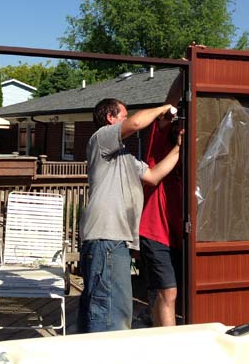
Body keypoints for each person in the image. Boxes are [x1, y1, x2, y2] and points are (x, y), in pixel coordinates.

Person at [78, 98, 182, 333]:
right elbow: (136, 123)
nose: (127, 119)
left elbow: (154, 176)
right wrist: (162, 110)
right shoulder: (102, 138)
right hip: (105, 238)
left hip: (114, 241)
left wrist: (179, 147)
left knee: (103, 308)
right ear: (110, 118)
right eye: (123, 115)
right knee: (111, 315)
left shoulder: (124, 157)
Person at [139, 75, 184, 327]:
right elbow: (171, 103)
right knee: (169, 293)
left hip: (179, 232)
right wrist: (185, 71)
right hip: (155, 230)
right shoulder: (159, 136)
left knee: (166, 294)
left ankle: (156, 334)